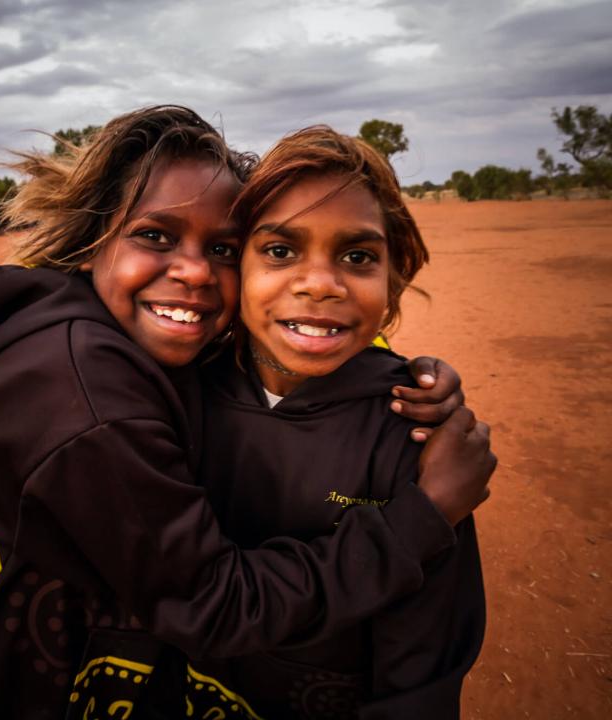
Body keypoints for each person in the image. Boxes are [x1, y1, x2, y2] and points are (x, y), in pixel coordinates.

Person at [0, 107, 490, 720]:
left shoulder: (399, 432)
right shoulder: (95, 402)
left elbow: (423, 671)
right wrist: (421, 517)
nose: (197, 271)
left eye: (224, 247)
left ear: (396, 274)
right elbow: (212, 604)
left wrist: (394, 368)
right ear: (95, 237)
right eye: (154, 235)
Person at [177, 126, 493, 719]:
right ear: (234, 262)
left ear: (393, 275)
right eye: (279, 251)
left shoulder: (416, 439)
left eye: (357, 256)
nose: (320, 283)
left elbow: (421, 674)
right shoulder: (182, 390)